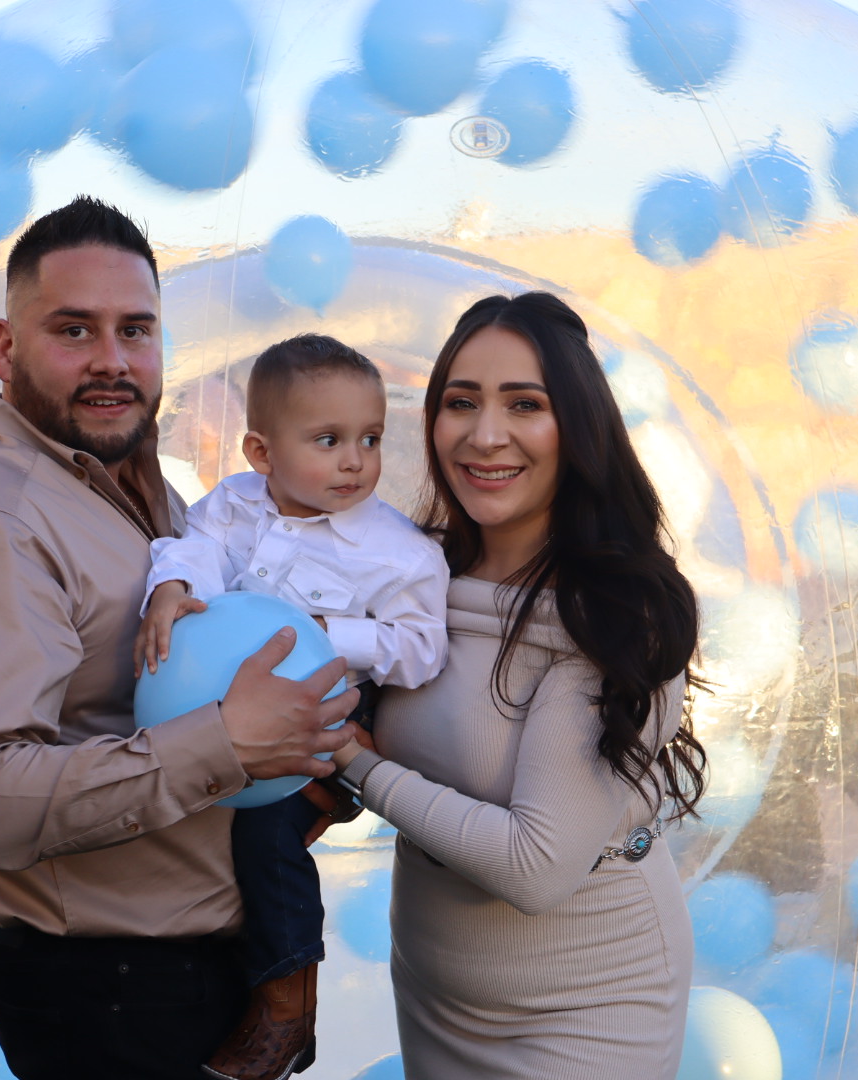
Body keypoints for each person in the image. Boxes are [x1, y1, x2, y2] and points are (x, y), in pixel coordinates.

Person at [0, 196, 358, 1080]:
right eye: (74, 330)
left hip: (180, 969)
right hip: (108, 993)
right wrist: (228, 742)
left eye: (136, 330)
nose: (113, 361)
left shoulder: (135, 489)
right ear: (6, 346)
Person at [329, 291, 707, 1079]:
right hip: (437, 990)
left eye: (524, 405)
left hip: (587, 1014)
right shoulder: (416, 572)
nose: (484, 434)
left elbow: (535, 866)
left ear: (579, 428)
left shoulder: (614, 611)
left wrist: (357, 765)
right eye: (460, 403)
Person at [135, 333, 450, 1080]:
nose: (355, 461)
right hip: (230, 706)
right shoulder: (235, 505)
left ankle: (286, 1002)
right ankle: (198, 975)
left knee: (265, 840)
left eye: (370, 439)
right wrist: (172, 588)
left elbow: (422, 647)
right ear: (261, 452)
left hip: (329, 708)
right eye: (329, 440)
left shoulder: (397, 553)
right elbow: (192, 548)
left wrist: (329, 634)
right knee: (187, 820)